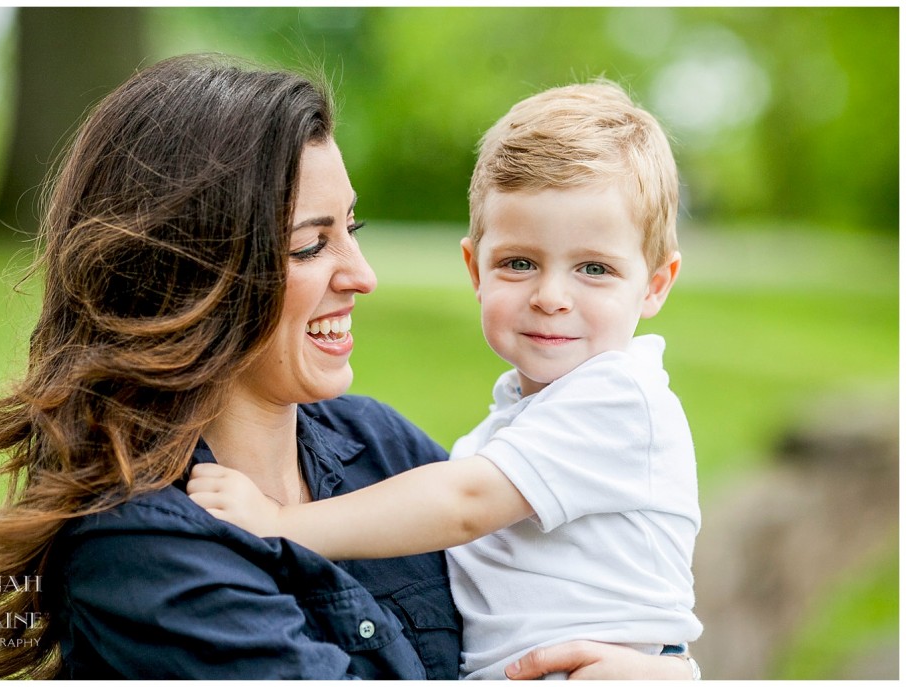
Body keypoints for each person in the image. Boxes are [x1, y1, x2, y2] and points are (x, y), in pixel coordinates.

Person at [0, 54, 697, 680]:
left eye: (353, 227)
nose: (362, 274)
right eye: (311, 244)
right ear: (192, 274)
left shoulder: (377, 445)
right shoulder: (146, 550)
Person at [188, 80, 703, 679]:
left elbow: (462, 504)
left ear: (657, 284)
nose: (551, 297)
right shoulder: (519, 417)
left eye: (594, 268)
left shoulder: (620, 400)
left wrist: (280, 524)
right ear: (474, 268)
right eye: (519, 263)